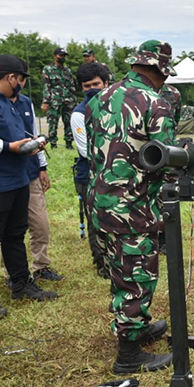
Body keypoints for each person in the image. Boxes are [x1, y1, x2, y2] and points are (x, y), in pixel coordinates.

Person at [86, 40, 176, 373]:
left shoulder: (99, 98)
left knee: (119, 270)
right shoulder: (156, 103)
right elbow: (166, 159)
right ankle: (129, 355)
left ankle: (137, 327)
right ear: (160, 69)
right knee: (138, 275)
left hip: (100, 201)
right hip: (133, 207)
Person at [0, 55, 58, 319]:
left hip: (16, 179)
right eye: (21, 79)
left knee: (15, 234)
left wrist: (31, 146)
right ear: (10, 78)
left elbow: (15, 135)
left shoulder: (6, 101)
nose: (20, 85)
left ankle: (21, 283)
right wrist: (8, 147)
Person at [7, 63, 63, 282]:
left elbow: (35, 135)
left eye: (24, 80)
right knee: (10, 227)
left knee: (40, 224)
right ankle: (11, 272)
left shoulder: (26, 102)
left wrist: (42, 167)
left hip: (30, 172)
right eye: (19, 79)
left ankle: (41, 266)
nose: (21, 84)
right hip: (7, 174)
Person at [71, 61, 111, 277]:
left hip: (116, 174)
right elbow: (86, 151)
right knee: (96, 222)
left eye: (96, 84)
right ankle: (102, 263)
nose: (92, 89)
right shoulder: (79, 113)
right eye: (87, 86)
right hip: (90, 176)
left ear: (106, 83)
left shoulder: (117, 108)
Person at [41, 47, 78, 149]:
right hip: (54, 100)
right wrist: (46, 101)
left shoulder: (67, 70)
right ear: (54, 56)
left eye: (64, 56)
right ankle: (53, 143)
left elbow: (71, 85)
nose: (63, 57)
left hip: (68, 100)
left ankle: (69, 143)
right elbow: (47, 86)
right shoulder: (48, 69)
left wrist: (75, 100)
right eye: (61, 55)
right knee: (53, 122)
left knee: (69, 121)